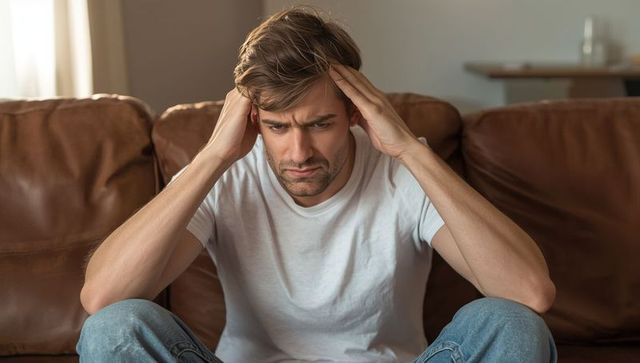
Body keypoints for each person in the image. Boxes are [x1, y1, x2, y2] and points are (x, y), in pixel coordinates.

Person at [76, 7, 557, 363]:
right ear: (253, 119)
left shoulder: (403, 170)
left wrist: (410, 149)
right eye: (278, 127)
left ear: (355, 112)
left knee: (512, 325)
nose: (299, 152)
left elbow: (529, 295)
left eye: (320, 124)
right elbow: (103, 302)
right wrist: (212, 157)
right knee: (115, 328)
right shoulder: (227, 173)